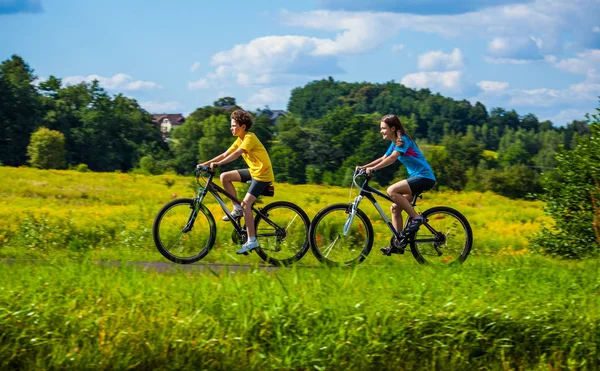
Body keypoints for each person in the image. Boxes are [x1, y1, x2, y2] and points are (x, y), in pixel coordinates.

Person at [356, 114, 436, 255]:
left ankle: (417, 218)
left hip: (424, 177)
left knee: (392, 190)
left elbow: (392, 159)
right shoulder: (395, 143)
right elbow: (383, 158)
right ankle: (398, 243)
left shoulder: (403, 140)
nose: (381, 131)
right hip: (417, 177)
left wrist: (373, 170)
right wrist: (364, 167)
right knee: (395, 208)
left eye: (383, 128)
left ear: (392, 128)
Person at [198, 109, 274, 255]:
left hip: (262, 175)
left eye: (233, 125)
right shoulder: (240, 139)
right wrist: (205, 164)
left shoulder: (249, 138)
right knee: (224, 177)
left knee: (247, 204)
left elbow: (237, 154)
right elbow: (225, 154)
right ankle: (237, 209)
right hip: (254, 171)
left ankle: (252, 240)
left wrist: (218, 165)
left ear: (243, 127)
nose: (231, 128)